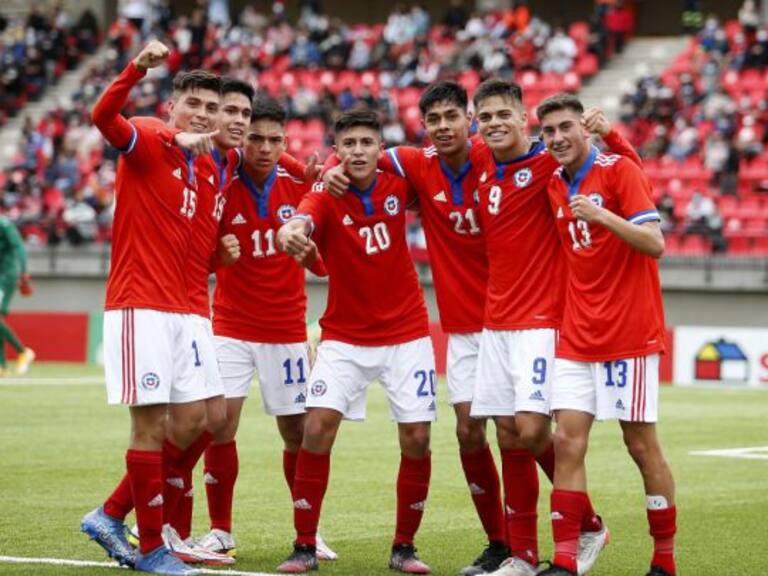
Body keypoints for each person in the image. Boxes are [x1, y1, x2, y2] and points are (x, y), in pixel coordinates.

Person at [323, 81, 508, 576]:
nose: (444, 126)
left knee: (525, 433)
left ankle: (579, 525)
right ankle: (501, 544)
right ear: (423, 126)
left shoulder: (497, 155)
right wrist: (330, 167)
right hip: (463, 324)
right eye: (434, 119)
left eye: (453, 116)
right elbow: (357, 156)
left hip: (516, 316)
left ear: (470, 120)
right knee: (469, 432)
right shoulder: (413, 162)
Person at [468, 78, 640, 576]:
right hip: (495, 321)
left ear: (523, 118)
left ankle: (588, 523)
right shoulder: (480, 159)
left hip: (542, 319)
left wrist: (612, 135)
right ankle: (522, 556)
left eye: (505, 114)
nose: (495, 123)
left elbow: (626, 171)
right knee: (507, 434)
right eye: (486, 116)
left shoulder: (550, 160)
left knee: (530, 429)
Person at [80, 40, 224, 575]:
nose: (203, 114)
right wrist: (136, 68)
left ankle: (111, 513)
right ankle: (150, 549)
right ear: (172, 107)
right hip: (140, 305)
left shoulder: (204, 168)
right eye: (194, 104)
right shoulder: (148, 136)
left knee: (197, 420)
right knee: (150, 427)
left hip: (183, 310)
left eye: (211, 107)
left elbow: (191, 247)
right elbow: (103, 117)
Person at [277, 109, 436, 575]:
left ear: (380, 149)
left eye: (367, 142)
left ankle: (404, 547)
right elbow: (299, 220)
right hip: (344, 335)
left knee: (417, 437)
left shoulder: (398, 183)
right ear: (338, 150)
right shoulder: (325, 192)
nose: (359, 151)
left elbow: (433, 168)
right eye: (349, 144)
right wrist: (290, 232)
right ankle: (304, 546)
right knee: (316, 427)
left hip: (407, 332)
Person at [536, 93, 676, 576]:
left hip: (628, 335)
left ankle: (664, 559)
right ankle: (565, 559)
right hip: (577, 335)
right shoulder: (554, 183)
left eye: (565, 127)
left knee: (640, 446)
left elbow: (655, 243)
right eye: (548, 131)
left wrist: (603, 217)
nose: (557, 137)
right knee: (566, 441)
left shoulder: (619, 171)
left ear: (585, 128)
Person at [198, 95, 336, 562]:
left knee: (297, 433)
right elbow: (202, 251)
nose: (263, 147)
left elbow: (324, 266)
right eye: (255, 138)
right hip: (230, 326)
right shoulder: (224, 179)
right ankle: (220, 531)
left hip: (285, 329)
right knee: (218, 423)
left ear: (285, 143)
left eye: (274, 140)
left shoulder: (301, 185)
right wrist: (219, 257)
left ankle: (308, 532)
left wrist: (310, 256)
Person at [0, 215, 35, 376]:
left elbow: (18, 245)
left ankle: (23, 352)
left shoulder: (4, 223)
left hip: (6, 275)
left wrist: (24, 271)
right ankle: (2, 366)